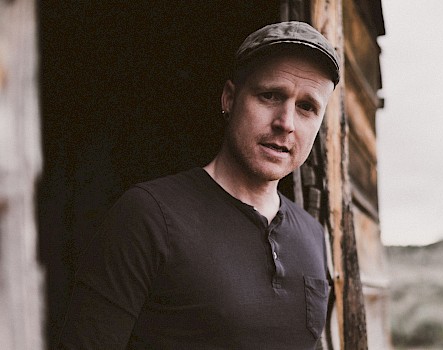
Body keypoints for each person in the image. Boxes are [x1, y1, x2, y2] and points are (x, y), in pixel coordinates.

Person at [58, 21, 340, 349]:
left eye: (307, 107)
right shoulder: (149, 214)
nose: (285, 123)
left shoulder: (311, 234)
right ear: (230, 98)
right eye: (270, 95)